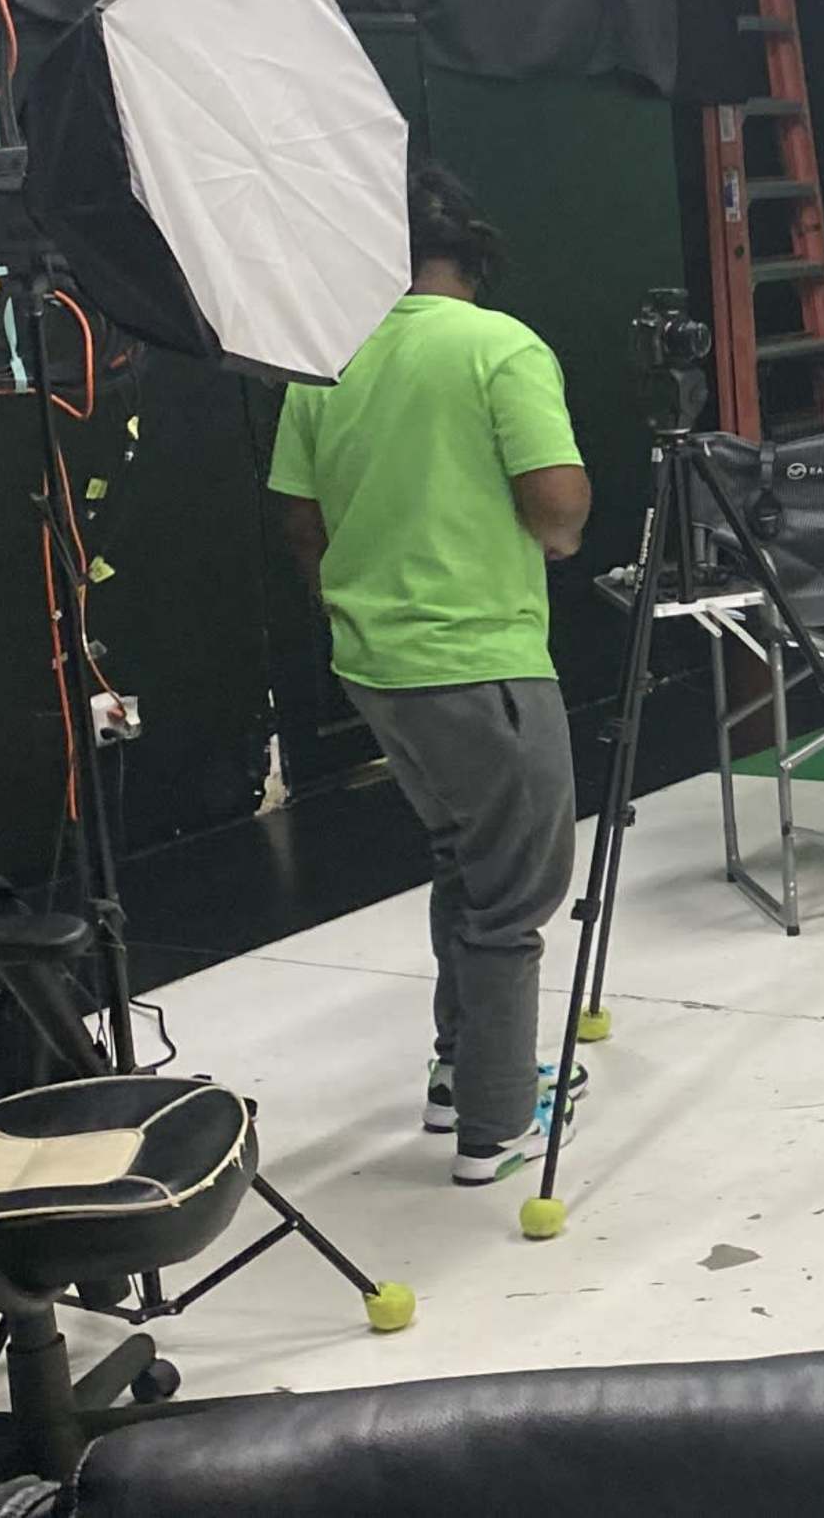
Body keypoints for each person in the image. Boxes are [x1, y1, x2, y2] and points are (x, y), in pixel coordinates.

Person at [268, 165, 593, 1187]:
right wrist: (553, 525)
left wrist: (352, 595)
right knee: (516, 891)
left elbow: (298, 513)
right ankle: (498, 1121)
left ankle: (462, 1072)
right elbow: (558, 506)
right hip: (479, 655)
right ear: (473, 248)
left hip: (378, 665)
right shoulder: (499, 345)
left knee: (466, 861)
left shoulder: (325, 361)